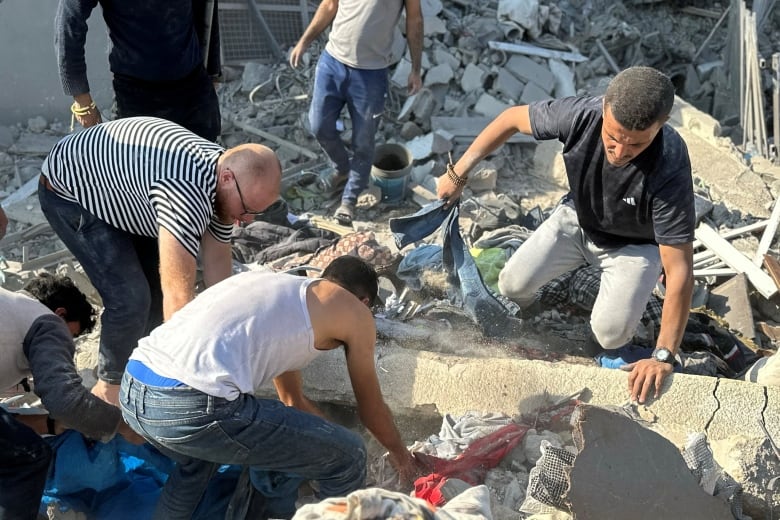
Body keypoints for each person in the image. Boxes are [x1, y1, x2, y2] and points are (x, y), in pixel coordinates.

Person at [437, 66, 695, 405]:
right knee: (512, 284)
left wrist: (663, 356)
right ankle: (534, 314)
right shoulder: (580, 115)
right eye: (613, 138)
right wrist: (458, 174)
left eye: (635, 144)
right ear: (604, 109)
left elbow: (680, 271)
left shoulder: (670, 162)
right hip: (578, 219)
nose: (619, 151)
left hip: (633, 246)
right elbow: (511, 118)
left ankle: (611, 329)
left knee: (609, 334)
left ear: (659, 127)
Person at [119, 255, 420, 519]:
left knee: (199, 462)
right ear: (364, 301)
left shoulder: (283, 295)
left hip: (135, 389)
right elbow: (372, 410)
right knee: (349, 457)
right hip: (192, 403)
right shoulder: (355, 311)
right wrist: (401, 457)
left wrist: (334, 437)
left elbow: (292, 401)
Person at [38, 116, 282, 406]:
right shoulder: (184, 193)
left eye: (256, 213)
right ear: (227, 177)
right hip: (70, 190)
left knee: (153, 298)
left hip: (124, 188)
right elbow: (178, 296)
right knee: (130, 297)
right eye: (247, 210)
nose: (246, 221)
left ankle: (142, 375)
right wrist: (192, 381)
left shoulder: (225, 190)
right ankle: (109, 388)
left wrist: (231, 340)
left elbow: (218, 275)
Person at [0, 273, 140, 520]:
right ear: (60, 314)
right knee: (28, 457)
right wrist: (122, 427)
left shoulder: (9, 312)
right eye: (70, 337)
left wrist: (47, 424)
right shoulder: (46, 322)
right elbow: (66, 401)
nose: (64, 347)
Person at [289, 0, 423, 226]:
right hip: (332, 63)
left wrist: (416, 69)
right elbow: (330, 5)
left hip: (371, 74)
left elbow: (414, 20)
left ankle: (349, 200)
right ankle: (341, 169)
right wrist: (305, 41)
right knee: (318, 126)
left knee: (363, 140)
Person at [55, 0, 222, 141]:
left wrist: (212, 73)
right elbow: (69, 23)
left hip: (193, 86)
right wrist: (82, 99)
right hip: (136, 95)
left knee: (208, 170)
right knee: (143, 172)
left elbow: (206, 9)